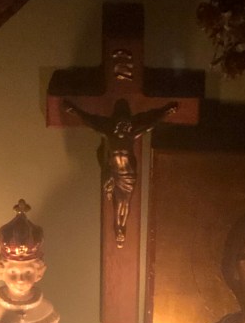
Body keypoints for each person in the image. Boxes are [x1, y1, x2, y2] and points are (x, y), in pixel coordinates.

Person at [63, 98, 178, 244]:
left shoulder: (132, 132)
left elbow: (151, 122)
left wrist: (166, 112)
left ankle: (121, 227)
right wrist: (75, 110)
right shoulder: (109, 131)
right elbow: (90, 121)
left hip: (128, 175)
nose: (123, 129)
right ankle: (119, 227)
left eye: (125, 126)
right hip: (116, 173)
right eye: (120, 125)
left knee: (125, 202)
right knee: (118, 203)